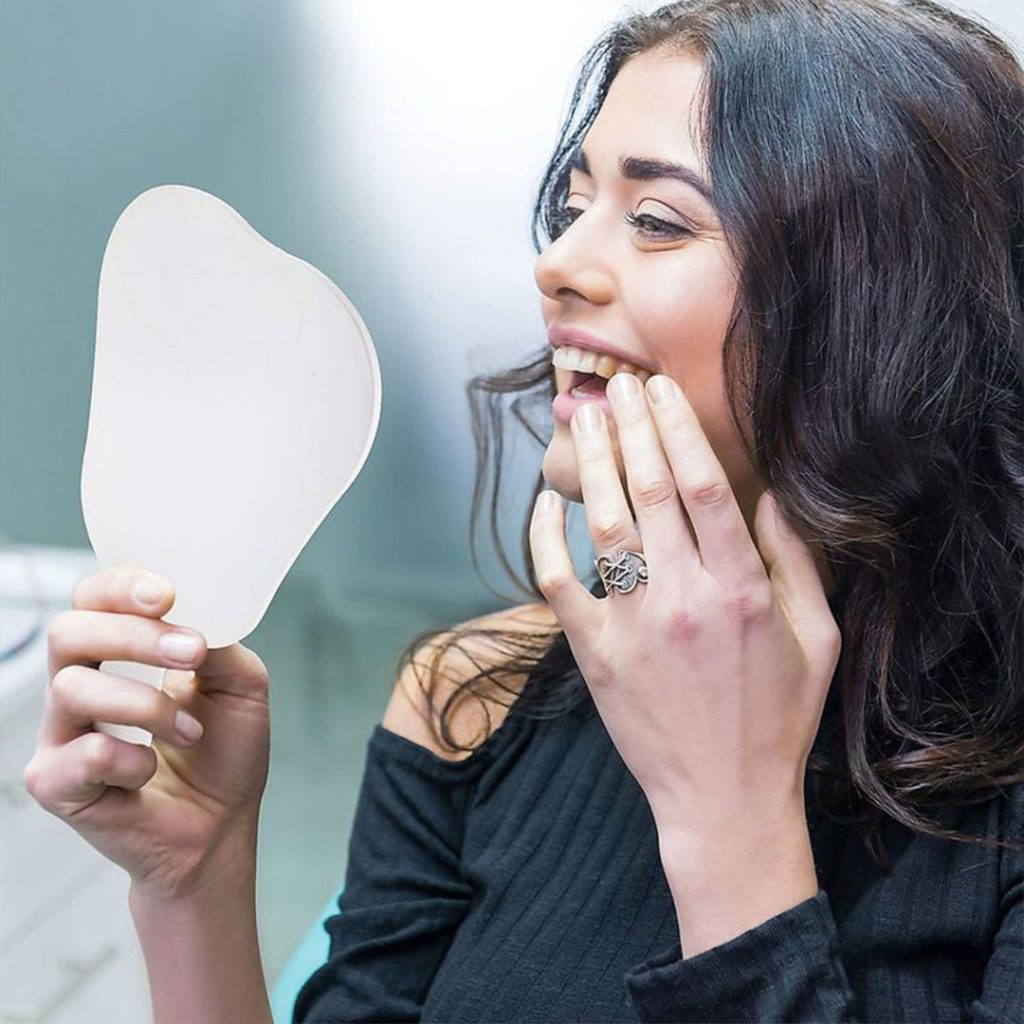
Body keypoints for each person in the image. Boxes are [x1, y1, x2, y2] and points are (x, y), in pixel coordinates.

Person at [24, 0, 1022, 1020]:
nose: (555, 265)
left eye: (655, 220)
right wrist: (193, 882)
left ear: (890, 306)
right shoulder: (471, 697)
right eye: (574, 205)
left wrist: (728, 825)